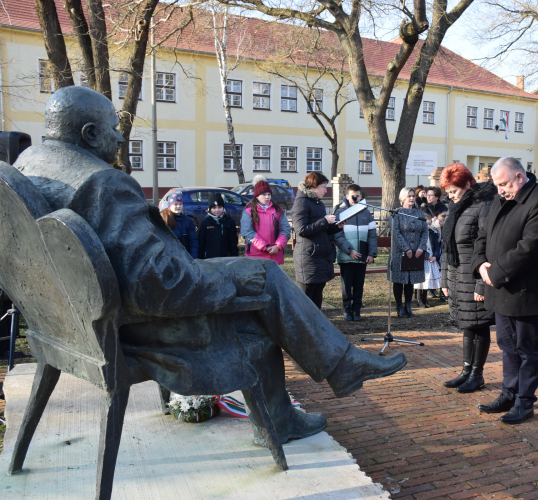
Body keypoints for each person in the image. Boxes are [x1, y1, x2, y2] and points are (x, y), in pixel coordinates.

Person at [14, 86, 407, 445]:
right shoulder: (101, 184)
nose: (120, 138)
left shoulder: (29, 164)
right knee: (264, 286)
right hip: (138, 326)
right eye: (113, 128)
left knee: (258, 287)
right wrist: (229, 286)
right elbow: (165, 285)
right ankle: (327, 378)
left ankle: (320, 385)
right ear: (88, 134)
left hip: (73, 325)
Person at [473, 157, 538, 424]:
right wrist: (480, 266)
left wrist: (494, 273)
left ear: (520, 177)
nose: (500, 190)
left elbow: (529, 248)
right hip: (498, 289)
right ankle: (508, 393)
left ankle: (524, 401)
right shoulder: (500, 200)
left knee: (528, 348)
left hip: (526, 292)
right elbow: (482, 235)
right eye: (497, 185)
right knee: (507, 346)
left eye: (504, 184)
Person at [439, 164, 496, 393]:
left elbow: (487, 248)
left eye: (454, 191)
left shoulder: (483, 205)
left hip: (473, 276)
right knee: (467, 325)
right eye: (448, 192)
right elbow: (446, 246)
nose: (450, 196)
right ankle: (465, 371)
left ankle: (477, 374)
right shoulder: (455, 208)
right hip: (456, 276)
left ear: (468, 184)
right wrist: (444, 280)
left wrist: (481, 283)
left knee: (479, 325)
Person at [291, 172, 343, 309]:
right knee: (307, 296)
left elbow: (322, 229)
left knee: (318, 293)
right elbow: (302, 230)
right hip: (309, 256)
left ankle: (316, 325)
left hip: (320, 255)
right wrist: (324, 221)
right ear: (313, 187)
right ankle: (304, 327)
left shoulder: (318, 203)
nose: (326, 191)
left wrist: (336, 227)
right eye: (323, 187)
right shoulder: (301, 204)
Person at [333, 184, 377, 321]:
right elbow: (337, 235)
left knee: (359, 285)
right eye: (352, 195)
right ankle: (347, 311)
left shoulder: (366, 213)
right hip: (347, 256)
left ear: (361, 196)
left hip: (362, 256)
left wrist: (371, 253)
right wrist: (349, 250)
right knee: (347, 286)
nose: (355, 197)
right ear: (346, 196)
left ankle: (357, 310)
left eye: (358, 195)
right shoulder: (340, 212)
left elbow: (372, 234)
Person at [388, 187, 428, 317]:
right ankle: (399, 306)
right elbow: (396, 232)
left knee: (411, 280)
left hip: (416, 252)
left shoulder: (419, 214)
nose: (411, 198)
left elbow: (424, 231)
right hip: (400, 252)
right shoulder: (396, 213)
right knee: (399, 280)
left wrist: (421, 247)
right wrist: (406, 248)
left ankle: (408, 305)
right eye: (408, 196)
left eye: (412, 196)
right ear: (402, 198)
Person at [240, 180, 290, 264]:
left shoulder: (278, 211)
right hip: (255, 256)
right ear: (257, 196)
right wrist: (265, 247)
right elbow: (247, 232)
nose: (267, 197)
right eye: (264, 194)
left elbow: (285, 229)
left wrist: (278, 246)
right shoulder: (249, 211)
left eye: (269, 194)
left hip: (275, 255)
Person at [414, 207, 441, 308]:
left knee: (427, 281)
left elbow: (437, 247)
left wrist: (435, 256)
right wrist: (426, 256)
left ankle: (425, 299)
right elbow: (418, 248)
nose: (428, 226)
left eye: (429, 224)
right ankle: (420, 300)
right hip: (422, 260)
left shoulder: (432, 234)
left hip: (431, 260)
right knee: (421, 281)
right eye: (426, 224)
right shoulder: (418, 235)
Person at [198, 193, 239, 259]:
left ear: (223, 207)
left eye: (219, 207)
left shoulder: (229, 222)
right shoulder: (205, 223)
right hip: (209, 259)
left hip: (225, 258)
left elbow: (233, 242)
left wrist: (235, 256)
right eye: (214, 208)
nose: (217, 210)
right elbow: (201, 243)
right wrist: (200, 258)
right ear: (210, 209)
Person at [160, 192, 198, 259]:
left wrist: (193, 257)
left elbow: (193, 240)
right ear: (169, 206)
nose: (178, 206)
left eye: (180, 204)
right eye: (175, 204)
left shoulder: (188, 221)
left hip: (185, 258)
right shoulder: (164, 221)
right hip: (169, 258)